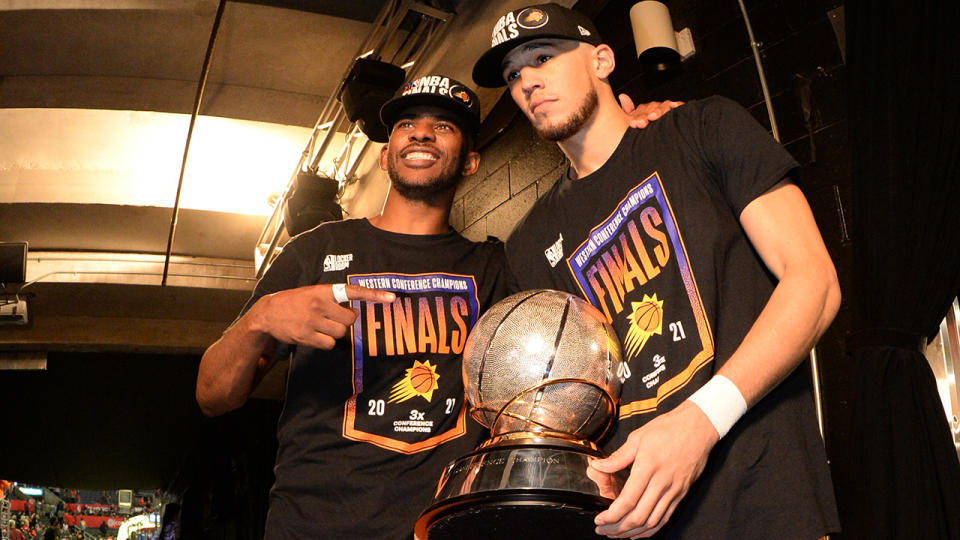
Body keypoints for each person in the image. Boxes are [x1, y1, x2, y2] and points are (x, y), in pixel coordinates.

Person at [472, 4, 841, 539]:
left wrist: (700, 423)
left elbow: (815, 282)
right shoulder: (529, 244)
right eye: (512, 75)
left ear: (601, 59)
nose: (526, 81)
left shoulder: (700, 127)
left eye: (543, 56)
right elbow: (566, 405)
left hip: (764, 503)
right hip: (640, 523)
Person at [196, 74, 510, 539]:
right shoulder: (315, 250)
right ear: (386, 155)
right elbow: (213, 396)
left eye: (443, 127)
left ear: (471, 162)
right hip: (313, 527)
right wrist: (261, 319)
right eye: (407, 124)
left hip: (437, 528)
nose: (421, 132)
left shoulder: (493, 267)